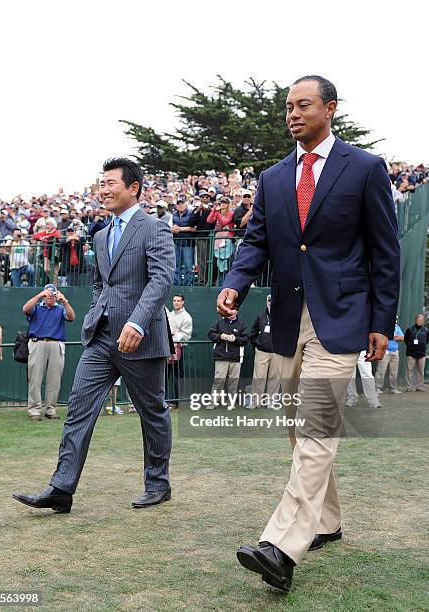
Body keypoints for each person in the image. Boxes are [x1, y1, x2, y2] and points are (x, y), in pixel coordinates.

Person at [216, 75, 400, 592]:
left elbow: (385, 251)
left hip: (342, 319)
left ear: (330, 108)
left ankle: (281, 546)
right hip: (288, 320)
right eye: (288, 107)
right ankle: (328, 522)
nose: (292, 114)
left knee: (317, 427)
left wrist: (381, 322)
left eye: (303, 105)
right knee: (302, 429)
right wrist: (235, 282)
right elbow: (257, 240)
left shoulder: (364, 168)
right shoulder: (273, 178)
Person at [13, 158, 175, 514]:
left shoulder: (155, 228)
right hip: (101, 337)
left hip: (141, 337)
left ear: (133, 188)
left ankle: (157, 483)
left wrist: (137, 322)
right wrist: (92, 314)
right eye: (100, 184)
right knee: (78, 410)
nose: (103, 190)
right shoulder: (101, 235)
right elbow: (102, 283)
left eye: (110, 183)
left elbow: (161, 280)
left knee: (152, 412)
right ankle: (61, 487)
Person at [23, 284, 75, 420]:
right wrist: (40, 295)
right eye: (48, 294)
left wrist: (65, 301)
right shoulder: (37, 307)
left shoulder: (60, 308)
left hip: (55, 344)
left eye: (53, 294)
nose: (50, 296)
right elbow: (25, 309)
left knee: (54, 379)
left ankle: (50, 409)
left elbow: (71, 317)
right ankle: (34, 410)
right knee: (35, 378)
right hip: (37, 342)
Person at [207, 311, 248, 408]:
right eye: (229, 309)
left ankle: (231, 403)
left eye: (234, 309)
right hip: (221, 357)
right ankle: (213, 402)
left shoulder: (241, 324)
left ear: (236, 311)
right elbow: (211, 334)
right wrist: (220, 336)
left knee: (233, 382)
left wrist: (236, 339)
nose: (231, 312)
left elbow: (245, 339)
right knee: (219, 381)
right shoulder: (219, 322)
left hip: (235, 358)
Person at [248, 295, 281, 408]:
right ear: (267, 302)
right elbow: (252, 334)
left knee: (275, 378)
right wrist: (257, 346)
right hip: (262, 351)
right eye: (269, 301)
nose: (271, 303)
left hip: (277, 353)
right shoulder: (261, 317)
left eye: (273, 301)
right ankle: (255, 402)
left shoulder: (283, 317)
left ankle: (271, 402)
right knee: (258, 377)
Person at [167, 294, 193, 409]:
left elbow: (186, 335)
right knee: (164, 376)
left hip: (179, 350)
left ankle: (177, 402)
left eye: (178, 301)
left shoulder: (186, 317)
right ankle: (164, 400)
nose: (176, 302)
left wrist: (175, 335)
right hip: (167, 350)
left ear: (183, 302)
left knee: (178, 377)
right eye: (174, 300)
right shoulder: (170, 314)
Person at [375, 319, 404, 394]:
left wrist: (393, 337)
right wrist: (395, 337)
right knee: (381, 370)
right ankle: (377, 388)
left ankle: (393, 388)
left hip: (395, 351)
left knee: (394, 371)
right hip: (385, 351)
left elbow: (402, 337)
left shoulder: (397, 327)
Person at [404, 314, 428, 392]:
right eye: (418, 320)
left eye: (421, 320)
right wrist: (410, 346)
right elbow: (406, 340)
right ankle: (409, 387)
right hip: (411, 354)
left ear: (423, 321)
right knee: (409, 370)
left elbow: (426, 340)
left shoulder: (426, 330)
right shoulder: (410, 329)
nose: (419, 321)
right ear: (415, 320)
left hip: (421, 354)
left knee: (421, 371)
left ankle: (419, 386)